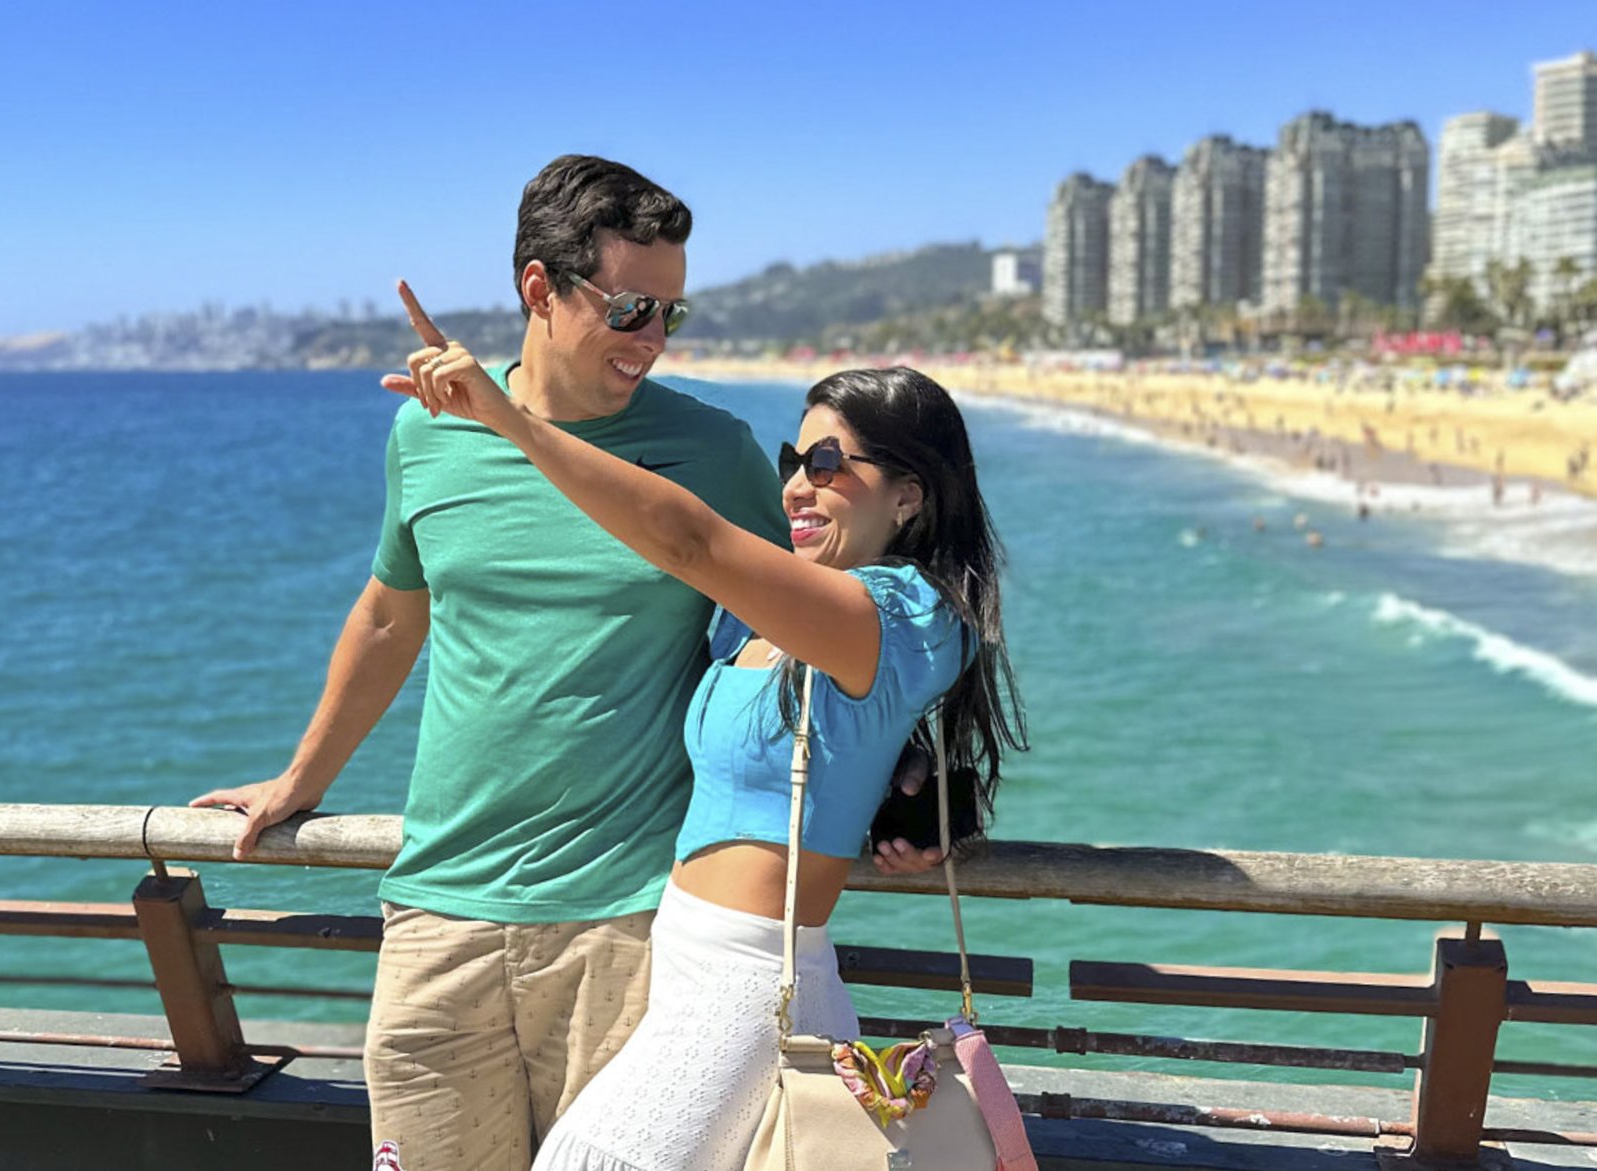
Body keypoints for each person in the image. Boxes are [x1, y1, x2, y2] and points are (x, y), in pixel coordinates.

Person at [189, 155, 938, 1171]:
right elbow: (388, 618)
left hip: (627, 921)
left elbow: (820, 625)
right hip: (438, 908)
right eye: (630, 308)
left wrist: (908, 781)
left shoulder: (713, 453)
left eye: (670, 313)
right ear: (539, 288)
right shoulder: (425, 434)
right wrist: (300, 779)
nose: (652, 339)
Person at [387, 321, 1025, 1171]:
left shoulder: (915, 616)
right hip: (681, 967)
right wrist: (903, 781)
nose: (796, 486)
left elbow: (688, 540)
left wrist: (512, 421)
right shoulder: (770, 612)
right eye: (792, 460)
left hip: (752, 989)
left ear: (908, 494)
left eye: (826, 464)